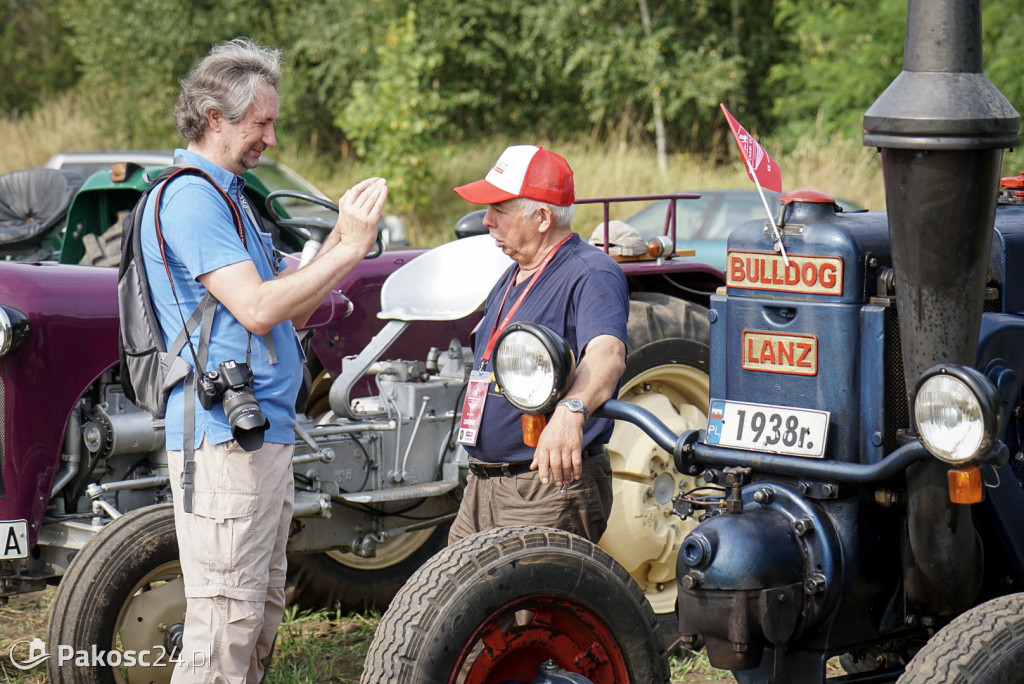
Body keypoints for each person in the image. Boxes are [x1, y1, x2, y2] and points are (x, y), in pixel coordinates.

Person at [142, 38, 386, 683]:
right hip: (224, 438)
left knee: (255, 611)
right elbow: (255, 308)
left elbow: (291, 308)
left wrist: (340, 239)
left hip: (256, 435)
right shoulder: (192, 198)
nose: (270, 140)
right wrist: (351, 249)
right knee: (225, 622)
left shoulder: (230, 197)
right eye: (262, 124)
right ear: (215, 117)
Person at [448, 144, 628, 545]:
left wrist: (571, 411)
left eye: (499, 209)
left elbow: (607, 353)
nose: (486, 220)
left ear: (542, 217)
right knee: (454, 602)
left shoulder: (591, 272)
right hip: (484, 485)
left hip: (541, 488)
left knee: (532, 607)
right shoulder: (514, 274)